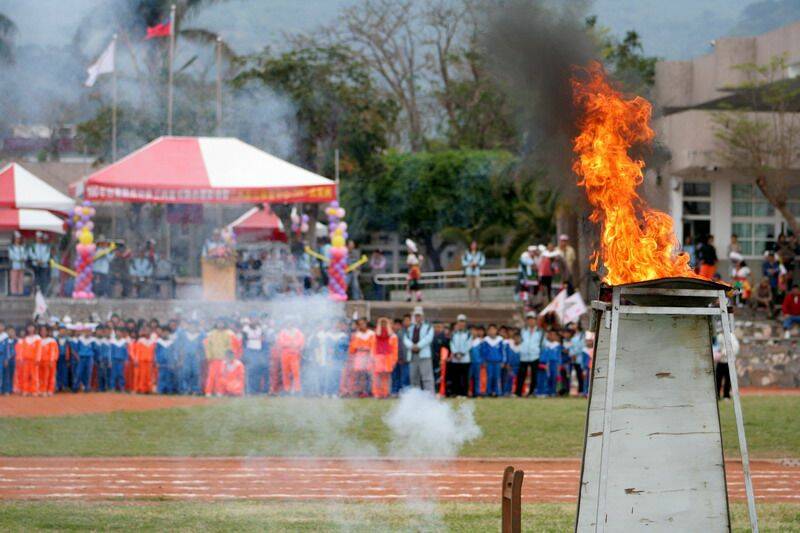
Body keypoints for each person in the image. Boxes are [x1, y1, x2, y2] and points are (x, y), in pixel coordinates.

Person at [403, 307, 434, 392]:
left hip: (424, 355)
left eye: (419, 316)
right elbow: (405, 339)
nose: (418, 318)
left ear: (422, 316)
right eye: (416, 316)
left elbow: (428, 338)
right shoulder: (410, 328)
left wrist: (418, 346)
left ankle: (429, 397)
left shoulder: (428, 327)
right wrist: (412, 346)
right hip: (413, 355)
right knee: (414, 378)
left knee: (427, 378)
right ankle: (415, 397)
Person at [204, 319, 234, 396]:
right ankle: (208, 391)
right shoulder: (211, 334)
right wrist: (209, 356)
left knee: (221, 376)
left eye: (222, 323)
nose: (220, 325)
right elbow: (208, 346)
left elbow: (229, 346)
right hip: (213, 358)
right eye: (218, 323)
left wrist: (228, 357)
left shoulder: (228, 334)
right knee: (211, 375)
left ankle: (219, 391)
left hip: (223, 359)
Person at [347, 318, 375, 397]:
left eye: (363, 323)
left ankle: (369, 391)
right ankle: (359, 391)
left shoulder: (372, 334)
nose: (362, 325)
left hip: (369, 356)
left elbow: (373, 346)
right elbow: (352, 347)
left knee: (368, 375)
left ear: (366, 324)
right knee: (359, 375)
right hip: (358, 356)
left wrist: (367, 349)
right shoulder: (356, 335)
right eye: (360, 324)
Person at [275, 320, 305, 394]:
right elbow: (281, 342)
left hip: (295, 354)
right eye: (288, 323)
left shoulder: (298, 332)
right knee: (285, 372)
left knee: (296, 372)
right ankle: (287, 389)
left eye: (291, 323)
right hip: (285, 354)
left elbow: (301, 341)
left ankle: (297, 389)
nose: (289, 324)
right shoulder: (282, 332)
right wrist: (291, 343)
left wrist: (292, 344)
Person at [517, 312, 542, 397]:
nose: (531, 321)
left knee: (534, 375)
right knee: (521, 375)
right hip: (523, 356)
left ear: (535, 320)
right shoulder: (523, 331)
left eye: (532, 319)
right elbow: (519, 341)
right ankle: (518, 392)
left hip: (535, 356)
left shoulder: (540, 332)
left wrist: (538, 352)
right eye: (529, 319)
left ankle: (531, 392)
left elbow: (542, 344)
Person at [372, 317, 397, 399]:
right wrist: (379, 322)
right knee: (378, 375)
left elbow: (390, 334)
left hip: (387, 355)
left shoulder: (389, 332)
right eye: (382, 323)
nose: (383, 324)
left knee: (386, 375)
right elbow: (378, 333)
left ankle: (385, 393)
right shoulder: (377, 332)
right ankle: (377, 393)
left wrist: (387, 322)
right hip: (379, 355)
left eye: (384, 323)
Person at [241, 318, 268, 394]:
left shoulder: (259, 329)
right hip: (250, 351)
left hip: (258, 351)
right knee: (250, 371)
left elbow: (262, 340)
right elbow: (244, 341)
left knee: (257, 371)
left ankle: (256, 389)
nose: (254, 321)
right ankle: (250, 389)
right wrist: (245, 352)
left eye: (255, 319)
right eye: (252, 319)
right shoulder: (246, 329)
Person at [448, 314, 471, 397]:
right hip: (455, 359)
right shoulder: (454, 333)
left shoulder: (468, 334)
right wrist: (455, 353)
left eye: (463, 322)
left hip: (465, 359)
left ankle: (464, 393)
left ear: (465, 323)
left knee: (465, 378)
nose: (461, 323)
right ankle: (456, 393)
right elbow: (452, 344)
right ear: (457, 323)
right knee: (455, 377)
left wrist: (461, 354)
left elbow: (468, 345)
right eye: (460, 321)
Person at [713, 328, 739, 400]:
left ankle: (726, 395)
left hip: (729, 362)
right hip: (720, 362)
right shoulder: (718, 337)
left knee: (728, 379)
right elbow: (715, 347)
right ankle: (717, 395)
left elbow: (735, 348)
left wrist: (723, 353)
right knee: (718, 379)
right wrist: (716, 354)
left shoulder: (731, 337)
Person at [538, 329, 563, 397]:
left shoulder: (558, 345)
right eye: (550, 334)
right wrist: (544, 363)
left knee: (554, 377)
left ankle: (553, 392)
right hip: (547, 363)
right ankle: (545, 392)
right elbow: (543, 354)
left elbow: (559, 355)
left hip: (554, 364)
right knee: (546, 377)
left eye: (553, 335)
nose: (552, 336)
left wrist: (559, 364)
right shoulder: (545, 344)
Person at [482, 324, 504, 397]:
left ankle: (497, 392)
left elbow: (502, 351)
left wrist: (503, 361)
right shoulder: (486, 340)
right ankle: (488, 392)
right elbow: (484, 351)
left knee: (497, 377)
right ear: (488, 331)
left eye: (493, 329)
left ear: (496, 331)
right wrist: (484, 360)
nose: (492, 331)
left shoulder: (500, 340)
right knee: (489, 377)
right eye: (490, 330)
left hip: (497, 362)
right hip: (489, 362)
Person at [390, 316, 411, 395]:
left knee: (405, 376)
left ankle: (404, 392)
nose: (407, 322)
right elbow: (399, 347)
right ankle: (395, 391)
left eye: (408, 320)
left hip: (406, 358)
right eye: (405, 320)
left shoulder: (410, 332)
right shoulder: (400, 333)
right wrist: (399, 357)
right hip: (397, 358)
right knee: (396, 376)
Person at [155, 328, 177, 394]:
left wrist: (174, 362)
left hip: (170, 362)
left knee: (169, 377)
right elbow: (156, 352)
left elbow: (174, 353)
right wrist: (157, 362)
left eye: (167, 333)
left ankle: (169, 390)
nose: (165, 334)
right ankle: (161, 390)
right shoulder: (158, 342)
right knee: (162, 377)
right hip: (161, 362)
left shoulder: (172, 342)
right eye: (164, 332)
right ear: (161, 333)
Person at [38, 325, 57, 396]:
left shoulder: (51, 341)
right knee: (41, 377)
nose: (43, 332)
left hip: (49, 361)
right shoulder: (38, 340)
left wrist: (52, 360)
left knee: (50, 376)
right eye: (41, 330)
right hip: (40, 362)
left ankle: (50, 390)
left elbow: (54, 352)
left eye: (45, 330)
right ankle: (42, 390)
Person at [109, 327, 130, 392]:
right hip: (114, 360)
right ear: (115, 333)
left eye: (120, 332)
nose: (118, 333)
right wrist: (110, 361)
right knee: (113, 375)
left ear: (122, 333)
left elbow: (126, 352)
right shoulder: (112, 342)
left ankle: (122, 387)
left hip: (121, 361)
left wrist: (126, 359)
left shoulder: (124, 342)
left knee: (121, 374)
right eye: (117, 332)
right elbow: (111, 352)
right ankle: (112, 388)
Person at [503, 330, 521, 396]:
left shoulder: (522, 347)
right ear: (513, 338)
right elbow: (507, 355)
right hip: (511, 366)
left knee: (516, 380)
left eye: (518, 338)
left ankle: (515, 392)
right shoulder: (509, 345)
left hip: (519, 366)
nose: (517, 339)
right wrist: (507, 364)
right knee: (509, 379)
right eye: (515, 338)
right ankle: (506, 391)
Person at [8, 232, 27, 296]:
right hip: (14, 265)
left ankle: (20, 292)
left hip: (22, 266)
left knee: (21, 279)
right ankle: (14, 292)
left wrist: (24, 258)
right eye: (16, 238)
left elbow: (25, 255)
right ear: (14, 239)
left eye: (19, 239)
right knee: (14, 279)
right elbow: (11, 256)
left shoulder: (23, 247)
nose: (18, 240)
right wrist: (19, 259)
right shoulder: (11, 247)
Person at [468, 326, 485, 397]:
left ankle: (477, 392)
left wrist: (482, 361)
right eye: (471, 331)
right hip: (469, 362)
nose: (473, 333)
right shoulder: (468, 341)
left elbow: (483, 352)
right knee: (468, 378)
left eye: (474, 331)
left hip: (477, 362)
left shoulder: (480, 341)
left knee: (477, 378)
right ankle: (468, 392)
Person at [1, 327, 16, 394]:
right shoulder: (4, 341)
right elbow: (3, 351)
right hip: (7, 361)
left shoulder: (17, 341)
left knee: (13, 375)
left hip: (15, 361)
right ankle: (6, 389)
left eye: (12, 331)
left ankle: (12, 389)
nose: (11, 333)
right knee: (6, 375)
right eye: (9, 332)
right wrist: (5, 359)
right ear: (7, 333)